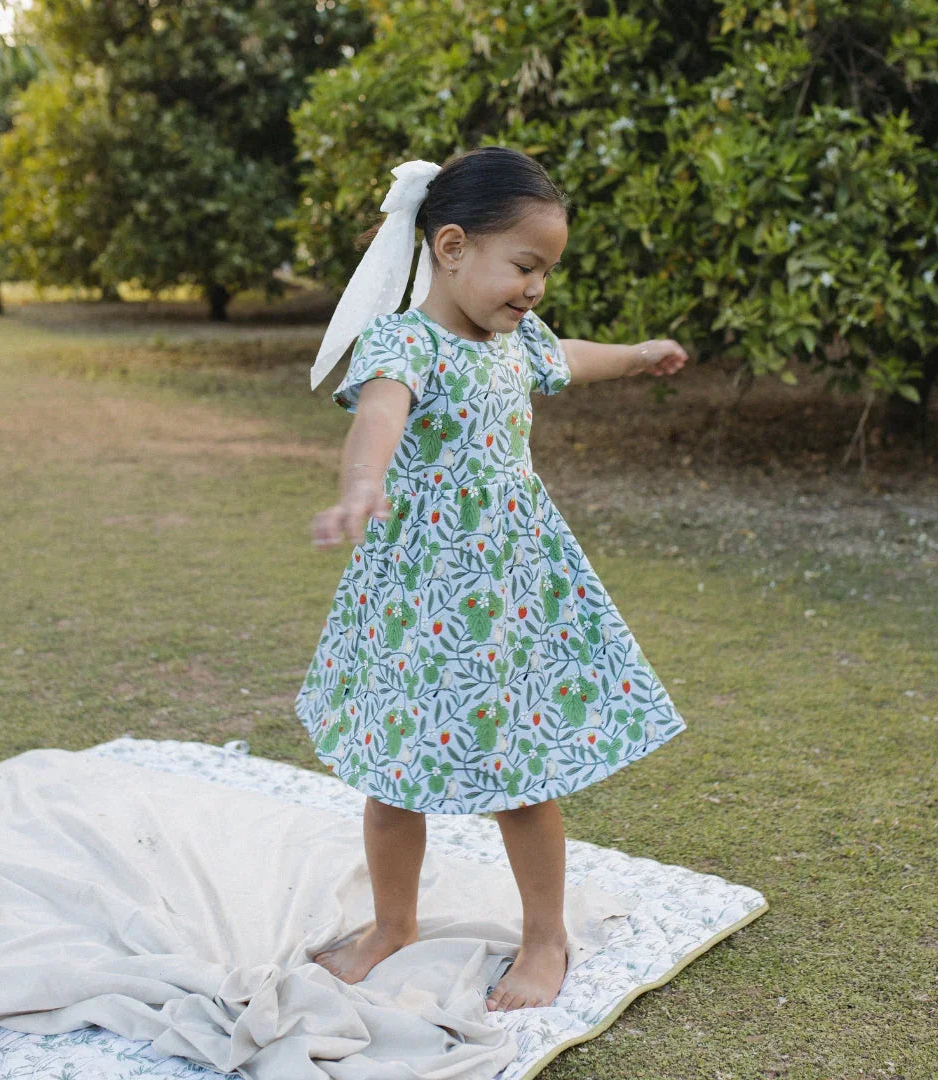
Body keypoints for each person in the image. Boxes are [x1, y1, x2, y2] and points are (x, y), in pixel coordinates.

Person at [294, 146, 688, 1012]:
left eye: (546, 271)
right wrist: (362, 487)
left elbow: (574, 357)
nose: (536, 288)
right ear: (452, 246)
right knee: (392, 770)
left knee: (521, 772)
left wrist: (639, 352)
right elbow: (379, 415)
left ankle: (546, 938)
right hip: (416, 594)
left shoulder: (519, 341)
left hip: (509, 592)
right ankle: (393, 924)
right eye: (525, 265)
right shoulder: (404, 341)